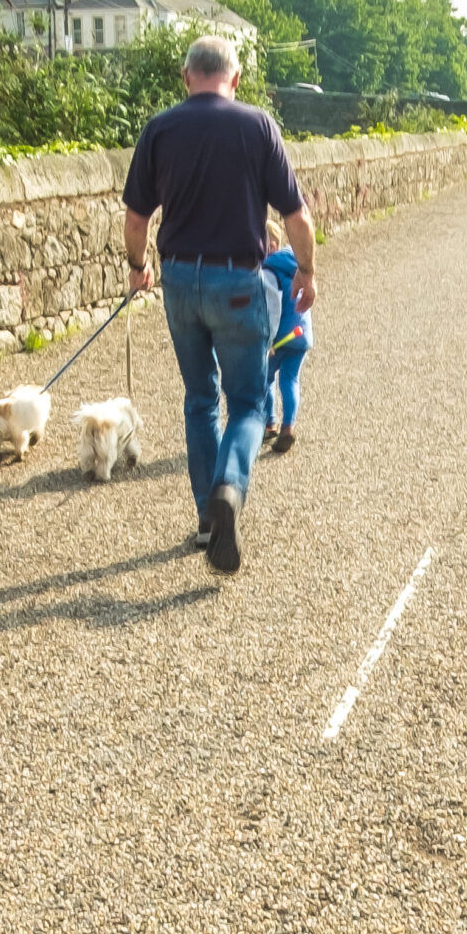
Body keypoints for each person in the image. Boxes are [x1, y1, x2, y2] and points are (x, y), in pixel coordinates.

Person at [122, 35, 316, 575]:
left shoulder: (160, 129)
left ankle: (207, 520)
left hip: (181, 280)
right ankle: (229, 489)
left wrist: (139, 267)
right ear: (235, 80)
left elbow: (136, 221)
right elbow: (296, 217)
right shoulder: (257, 126)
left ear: (187, 78)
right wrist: (306, 269)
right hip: (237, 280)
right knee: (250, 402)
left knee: (199, 398)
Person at [261, 244, 311, 452]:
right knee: (290, 379)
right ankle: (288, 427)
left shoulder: (268, 270)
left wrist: (268, 341)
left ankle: (270, 423)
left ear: (270, 245)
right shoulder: (299, 266)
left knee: (266, 377)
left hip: (280, 336)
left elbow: (272, 308)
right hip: (301, 333)